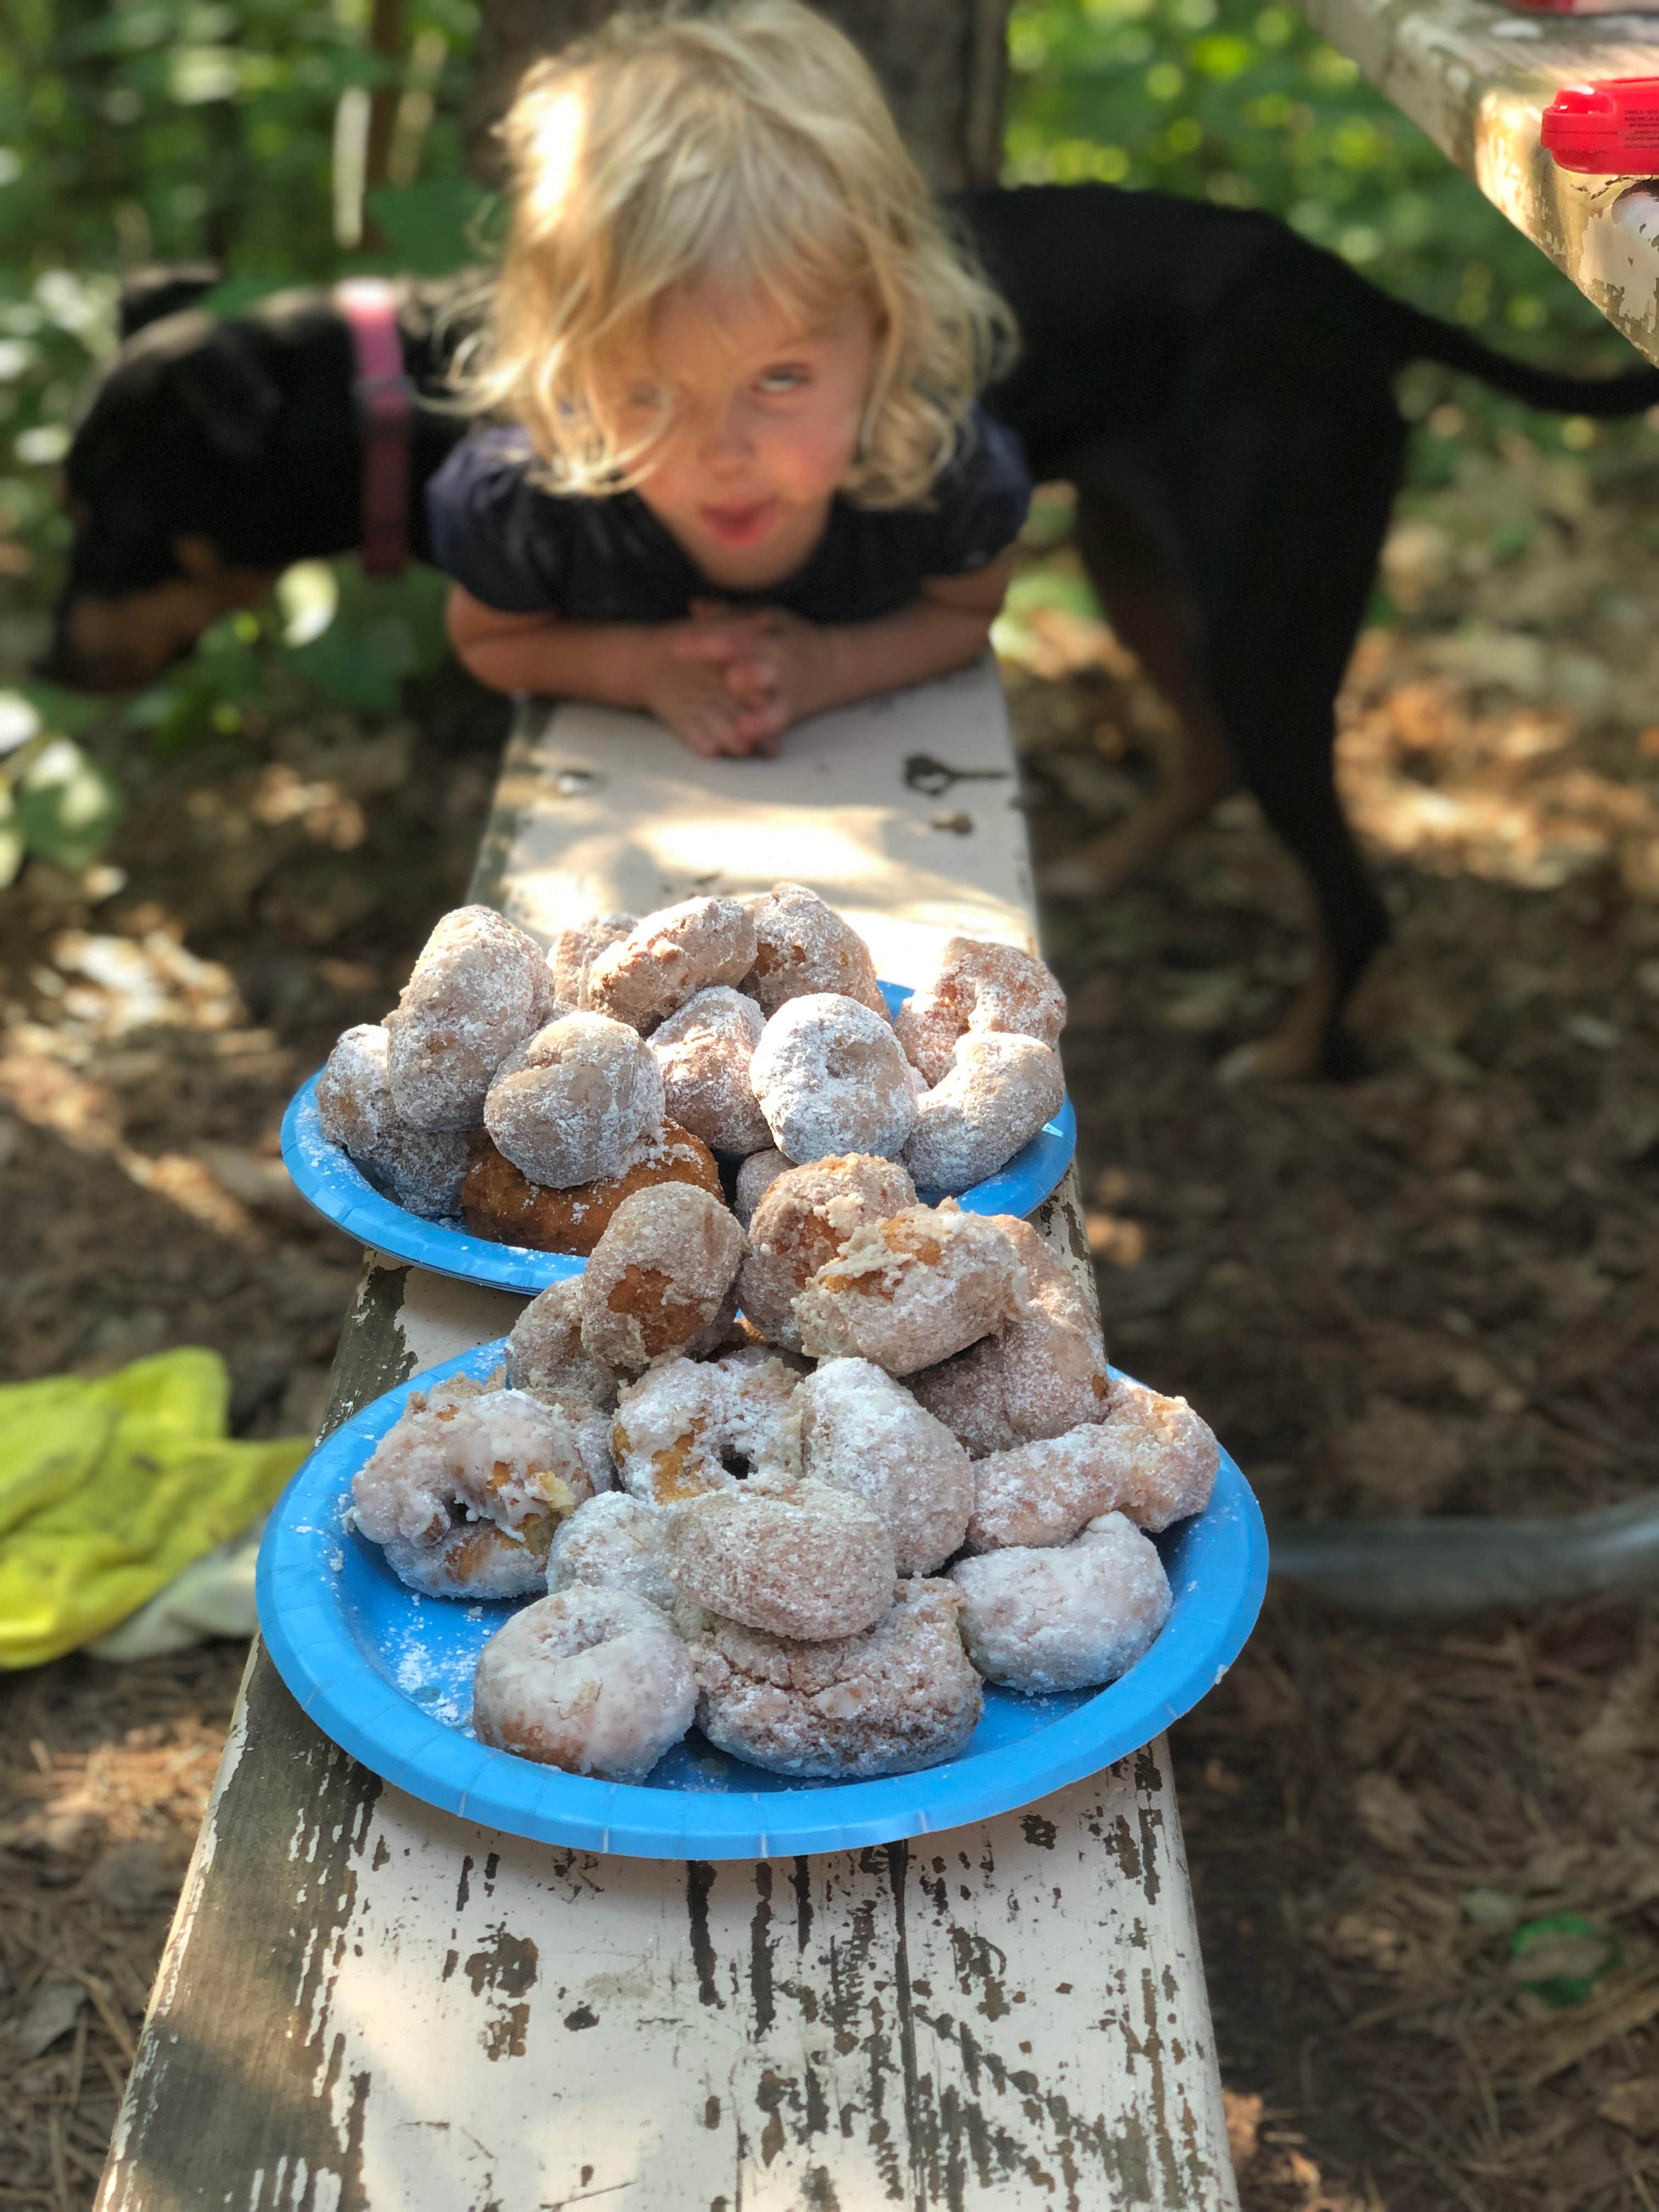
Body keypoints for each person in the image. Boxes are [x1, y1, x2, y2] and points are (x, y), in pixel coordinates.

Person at [428, 0, 1029, 759]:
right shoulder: (536, 505)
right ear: (572, 362)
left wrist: (831, 668)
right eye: (648, 392)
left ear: (886, 328)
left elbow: (965, 614)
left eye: (779, 379)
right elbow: (489, 641)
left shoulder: (942, 474)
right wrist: (640, 670)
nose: (720, 451)